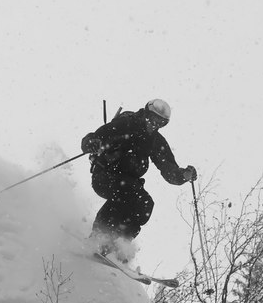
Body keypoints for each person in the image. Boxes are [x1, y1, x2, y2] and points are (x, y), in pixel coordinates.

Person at [81, 99, 197, 253]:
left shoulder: (156, 141)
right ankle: (98, 236)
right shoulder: (126, 125)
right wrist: (92, 142)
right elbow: (93, 138)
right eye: (153, 119)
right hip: (104, 176)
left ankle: (118, 244)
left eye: (160, 123)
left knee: (145, 204)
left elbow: (169, 169)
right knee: (126, 191)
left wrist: (183, 175)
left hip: (129, 183)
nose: (154, 124)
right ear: (146, 114)